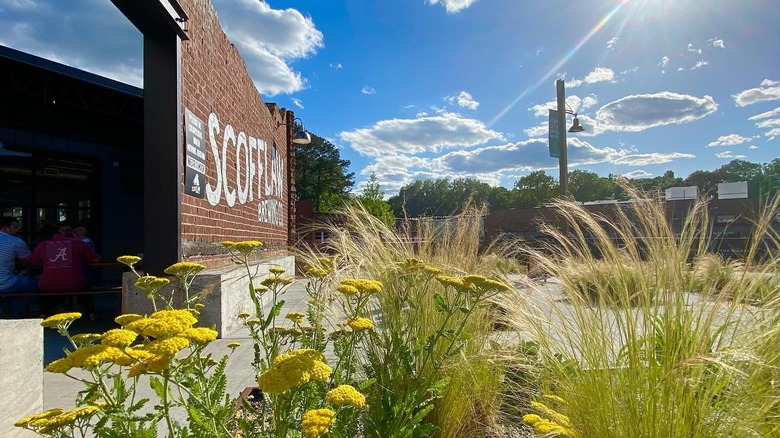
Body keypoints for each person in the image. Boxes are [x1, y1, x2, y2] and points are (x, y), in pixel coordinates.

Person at [32, 221, 101, 320]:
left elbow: (35, 263)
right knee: (83, 287)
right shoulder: (78, 243)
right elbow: (95, 259)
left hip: (49, 283)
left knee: (51, 286)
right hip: (75, 282)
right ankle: (92, 315)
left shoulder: (42, 245)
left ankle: (46, 312)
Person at [0, 217, 38, 317]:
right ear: (5, 228)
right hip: (5, 283)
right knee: (35, 285)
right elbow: (29, 261)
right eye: (15, 227)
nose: (17, 230)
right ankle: (12, 313)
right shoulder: (16, 241)